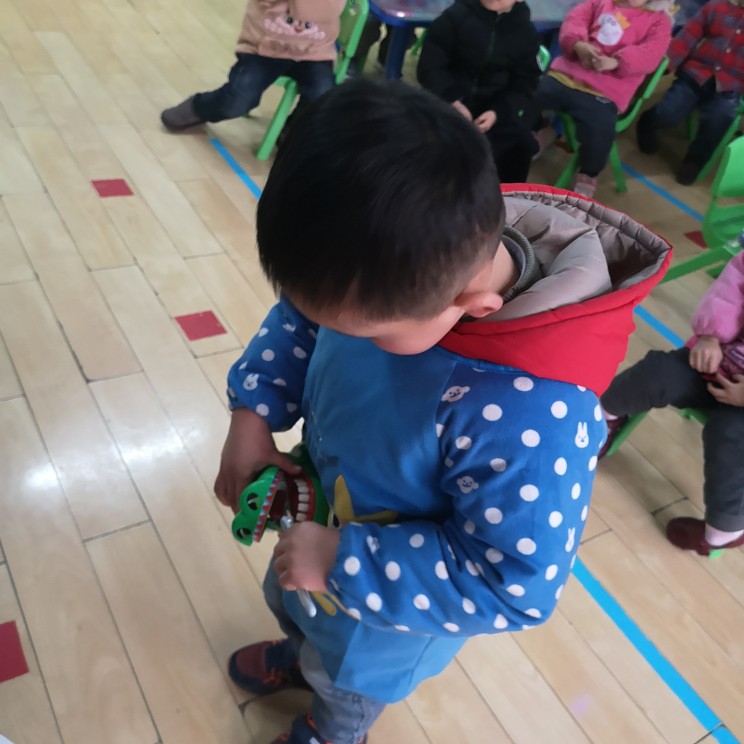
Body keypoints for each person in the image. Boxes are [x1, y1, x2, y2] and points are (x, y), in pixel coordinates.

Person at [216, 79, 670, 744]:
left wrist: (343, 560)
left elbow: (515, 582)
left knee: (345, 686)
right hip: (316, 527)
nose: (334, 331)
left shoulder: (536, 414)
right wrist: (251, 415)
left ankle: (330, 729)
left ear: (472, 307)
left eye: (365, 332)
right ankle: (300, 656)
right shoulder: (386, 261)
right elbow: (305, 318)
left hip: (382, 611)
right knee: (299, 616)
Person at [600, 252, 744, 556]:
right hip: (715, 362)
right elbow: (732, 286)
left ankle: (724, 529)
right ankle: (603, 417)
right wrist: (711, 335)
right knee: (658, 372)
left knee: (731, 439)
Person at [529, 0, 672, 197]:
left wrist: (617, 61)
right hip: (567, 75)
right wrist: (578, 44)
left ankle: (588, 173)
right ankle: (536, 132)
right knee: (528, 96)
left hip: (605, 91)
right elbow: (575, 19)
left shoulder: (659, 21)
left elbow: (650, 54)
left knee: (600, 131)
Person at [159, 0, 344, 132]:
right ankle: (199, 107)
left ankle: (292, 133)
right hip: (264, 47)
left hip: (314, 51)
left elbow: (329, 8)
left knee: (322, 97)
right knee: (238, 99)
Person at [416, 0, 542, 183]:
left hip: (492, 112)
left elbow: (526, 83)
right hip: (446, 103)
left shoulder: (526, 33)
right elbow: (430, 67)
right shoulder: (455, 16)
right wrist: (452, 100)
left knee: (521, 146)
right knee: (433, 145)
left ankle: (504, 197)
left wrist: (497, 112)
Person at [636, 0, 744, 185]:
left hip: (730, 86)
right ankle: (647, 122)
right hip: (695, 74)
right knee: (669, 112)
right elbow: (688, 36)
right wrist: (666, 66)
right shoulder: (716, 6)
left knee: (720, 117)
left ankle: (695, 160)